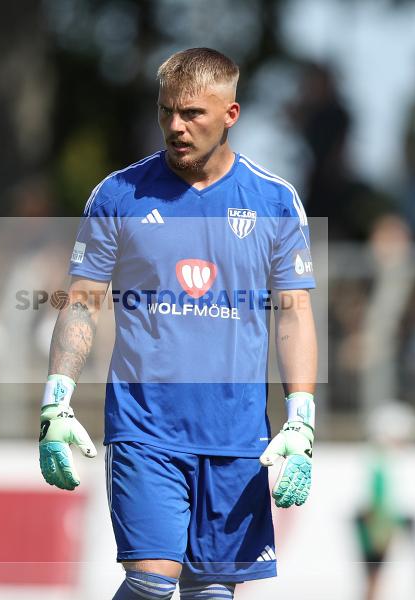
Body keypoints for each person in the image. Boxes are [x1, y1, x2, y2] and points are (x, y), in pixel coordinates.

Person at [38, 48, 318, 599]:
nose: (175, 126)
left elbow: (295, 314)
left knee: (211, 594)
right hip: (147, 427)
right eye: (166, 111)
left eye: (193, 114)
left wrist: (302, 417)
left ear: (231, 114)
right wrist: (56, 399)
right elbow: (82, 300)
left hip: (239, 436)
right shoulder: (119, 195)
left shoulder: (274, 201)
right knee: (149, 584)